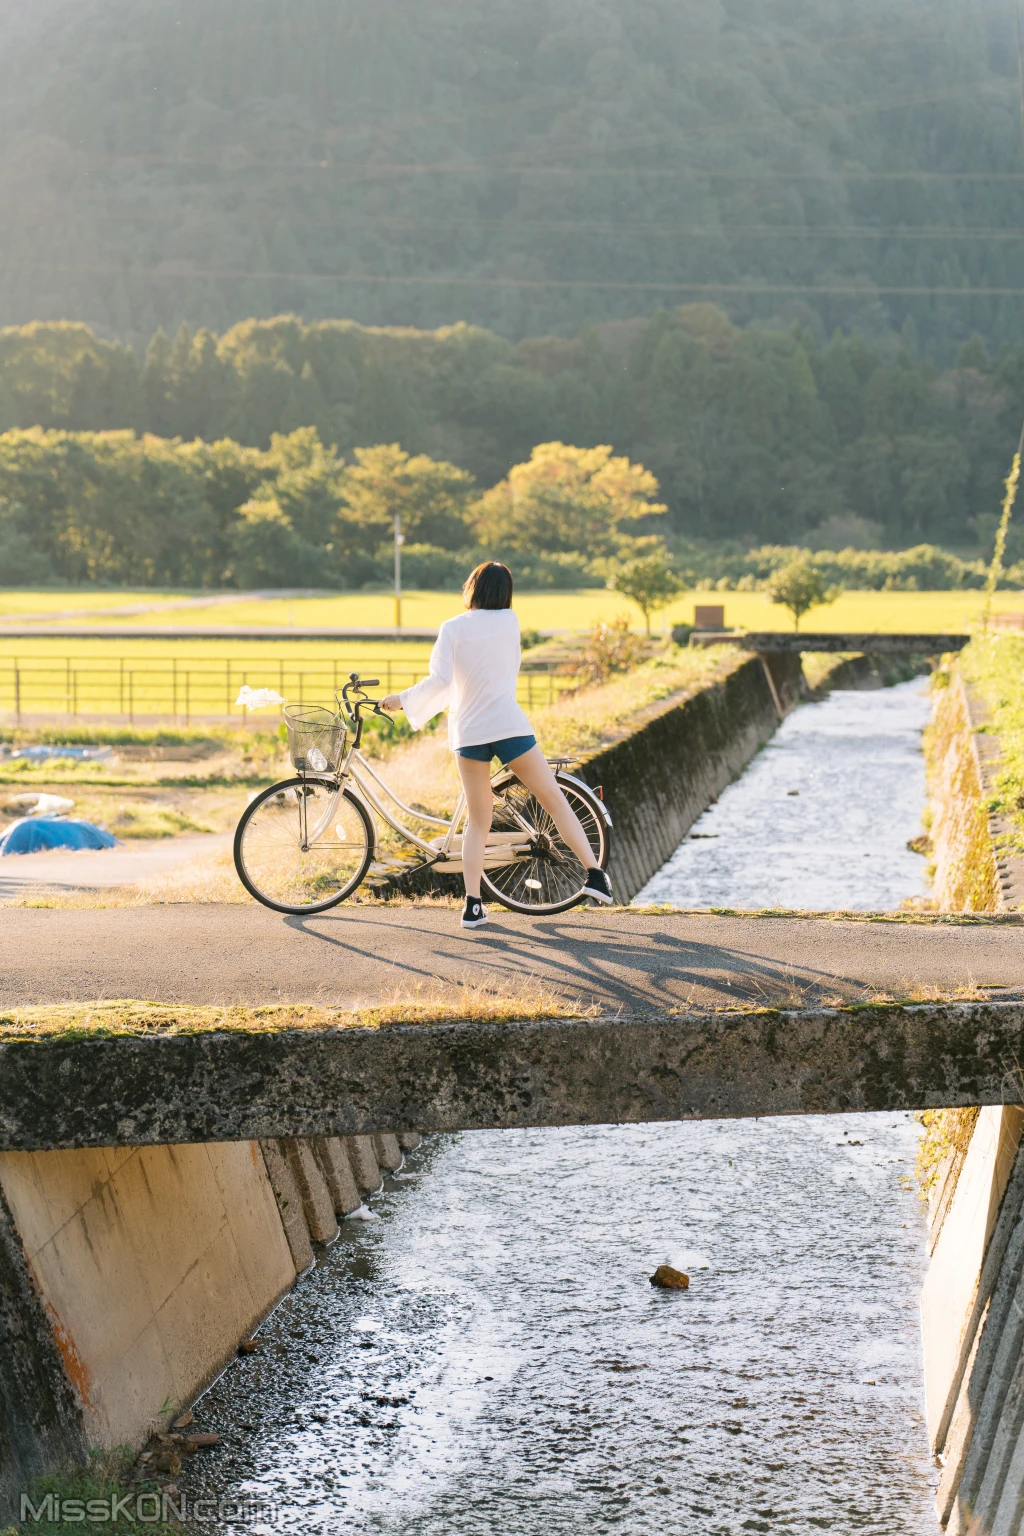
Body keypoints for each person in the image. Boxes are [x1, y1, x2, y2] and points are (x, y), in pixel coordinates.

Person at [382, 561, 613, 929]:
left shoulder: (453, 628)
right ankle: (594, 875)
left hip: (471, 732)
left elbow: (440, 682)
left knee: (478, 822)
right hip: (509, 726)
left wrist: (402, 700)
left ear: (472, 586)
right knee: (553, 800)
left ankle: (473, 907)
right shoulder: (511, 622)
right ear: (505, 592)